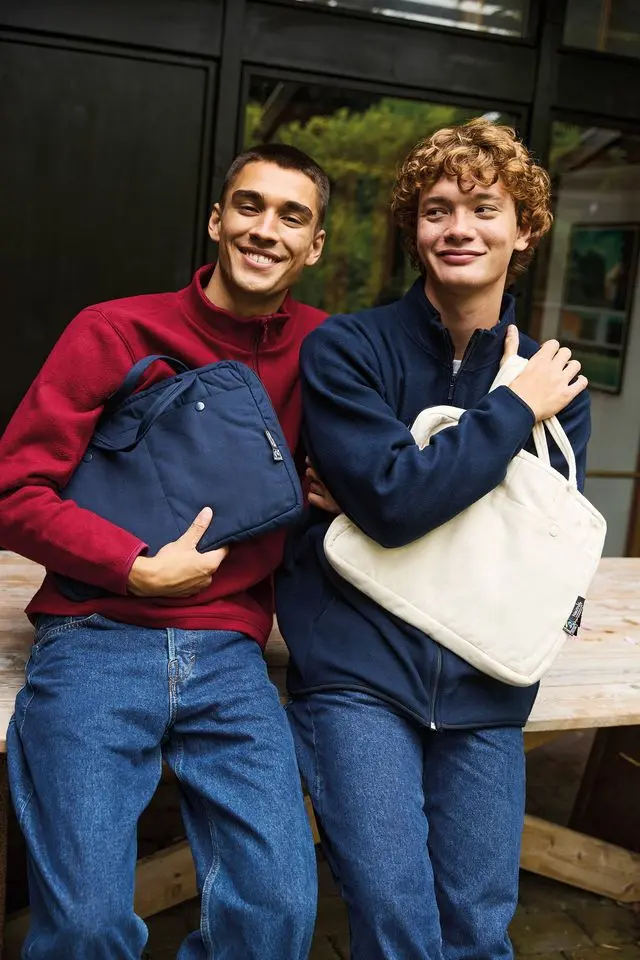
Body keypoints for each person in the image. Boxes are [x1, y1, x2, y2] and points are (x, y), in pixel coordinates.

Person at [1, 143, 329, 960]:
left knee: (280, 911)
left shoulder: (330, 353)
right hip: (95, 638)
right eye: (249, 206)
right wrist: (130, 565)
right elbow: (13, 491)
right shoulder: (114, 329)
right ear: (217, 220)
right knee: (84, 926)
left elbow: (402, 474)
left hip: (230, 653)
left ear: (315, 245)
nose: (266, 229)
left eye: (293, 216)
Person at [276, 119, 590, 960]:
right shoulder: (348, 350)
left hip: (487, 678)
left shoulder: (558, 379)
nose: (459, 227)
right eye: (437, 208)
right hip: (359, 674)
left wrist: (388, 493)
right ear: (414, 230)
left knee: (481, 929)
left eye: (485, 208)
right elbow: (394, 504)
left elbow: (540, 548)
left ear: (525, 230)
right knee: (396, 920)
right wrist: (510, 412)